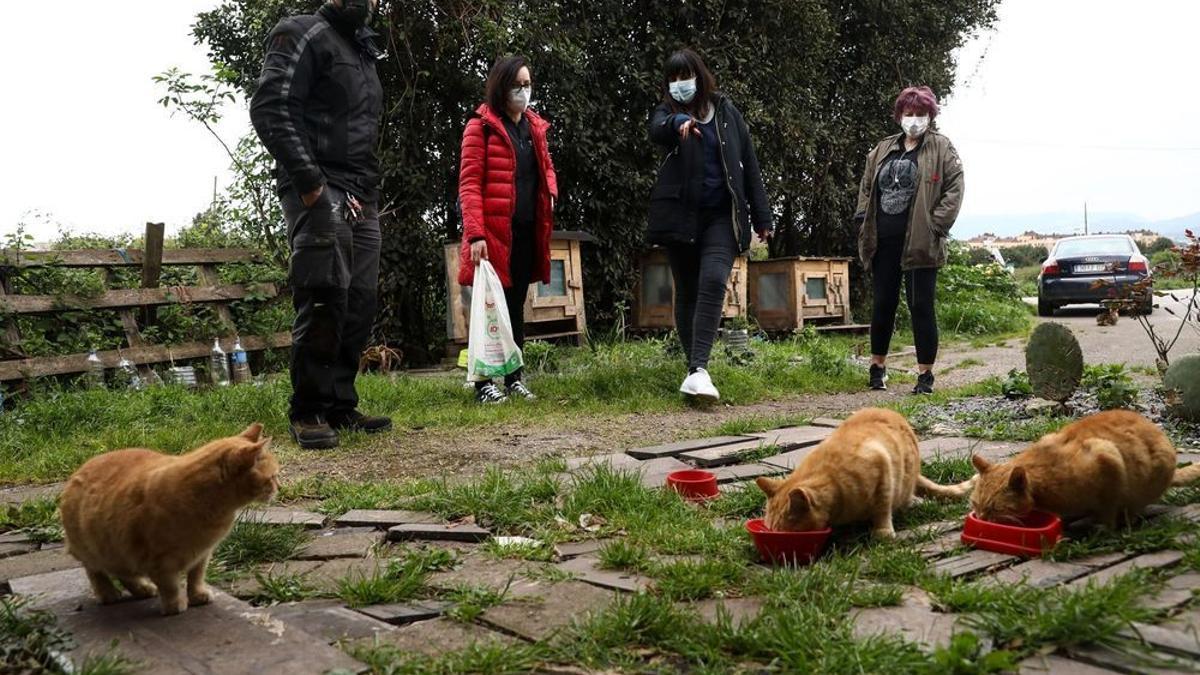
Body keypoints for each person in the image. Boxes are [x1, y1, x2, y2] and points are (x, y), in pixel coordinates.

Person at [250, 0, 393, 449]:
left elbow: (362, 127)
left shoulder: (363, 49)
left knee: (360, 299)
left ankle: (338, 404)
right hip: (317, 186)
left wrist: (366, 191)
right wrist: (310, 184)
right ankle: (308, 409)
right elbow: (270, 108)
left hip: (359, 192)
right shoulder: (299, 32)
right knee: (325, 293)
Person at [646, 49, 773, 401]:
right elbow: (657, 130)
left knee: (714, 280)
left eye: (683, 76)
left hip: (722, 215)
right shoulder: (666, 113)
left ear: (699, 76)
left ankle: (698, 369)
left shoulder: (727, 112)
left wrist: (762, 217)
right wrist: (677, 124)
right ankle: (695, 371)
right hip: (681, 217)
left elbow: (749, 162)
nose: (678, 84)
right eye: (671, 78)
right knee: (686, 291)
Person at [458, 56, 559, 404]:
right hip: (491, 235)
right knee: (488, 308)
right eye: (517, 84)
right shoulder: (480, 126)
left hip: (525, 232)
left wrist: (552, 193)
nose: (523, 91)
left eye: (528, 84)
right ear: (501, 86)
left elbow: (545, 170)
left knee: (515, 307)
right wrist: (476, 235)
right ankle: (483, 383)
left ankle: (515, 377)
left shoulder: (534, 127)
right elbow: (469, 184)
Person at [854, 86, 964, 395]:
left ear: (930, 116)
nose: (914, 120)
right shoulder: (882, 149)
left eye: (921, 114)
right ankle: (877, 368)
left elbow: (954, 188)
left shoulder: (941, 148)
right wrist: (862, 220)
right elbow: (866, 188)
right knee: (883, 304)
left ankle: (925, 375)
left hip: (920, 241)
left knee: (921, 305)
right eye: (909, 113)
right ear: (899, 115)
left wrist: (936, 225)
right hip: (883, 240)